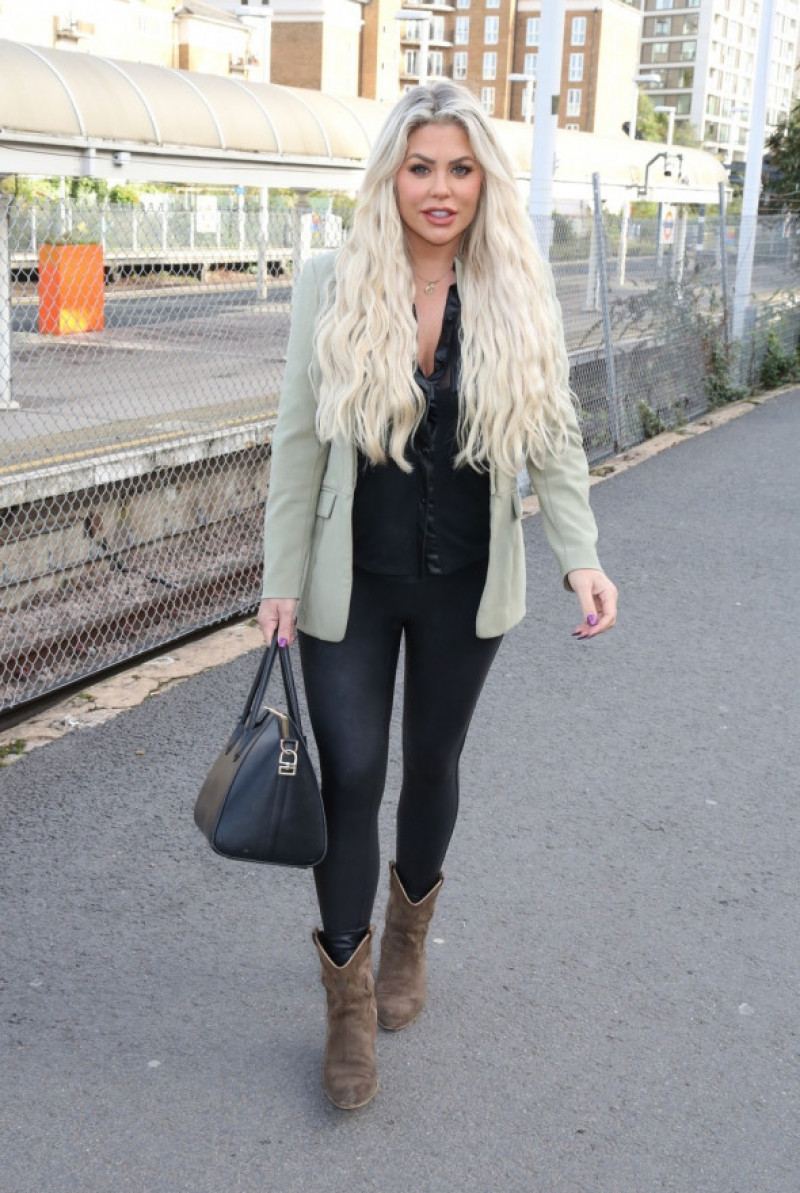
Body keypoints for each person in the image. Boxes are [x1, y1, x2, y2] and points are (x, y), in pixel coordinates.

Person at [257, 82, 617, 1111]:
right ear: (390, 175)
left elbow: (552, 430)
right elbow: (293, 442)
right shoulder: (330, 281)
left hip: (466, 578)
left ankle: (407, 938)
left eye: (460, 168)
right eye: (420, 166)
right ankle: (344, 1000)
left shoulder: (513, 280)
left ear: (481, 180)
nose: (440, 188)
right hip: (350, 583)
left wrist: (577, 555)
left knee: (434, 764)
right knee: (351, 772)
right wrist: (279, 578)